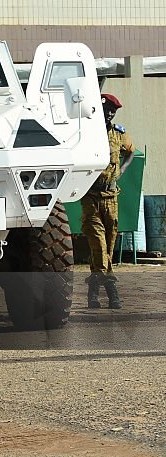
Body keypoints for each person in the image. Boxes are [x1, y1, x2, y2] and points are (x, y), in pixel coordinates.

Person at [81, 92, 135, 310]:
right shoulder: (86, 132)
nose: (110, 114)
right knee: (98, 242)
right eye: (107, 110)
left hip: (112, 197)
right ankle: (112, 290)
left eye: (113, 111)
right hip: (91, 197)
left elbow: (130, 152)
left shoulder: (119, 133)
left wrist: (122, 168)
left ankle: (93, 294)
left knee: (108, 247)